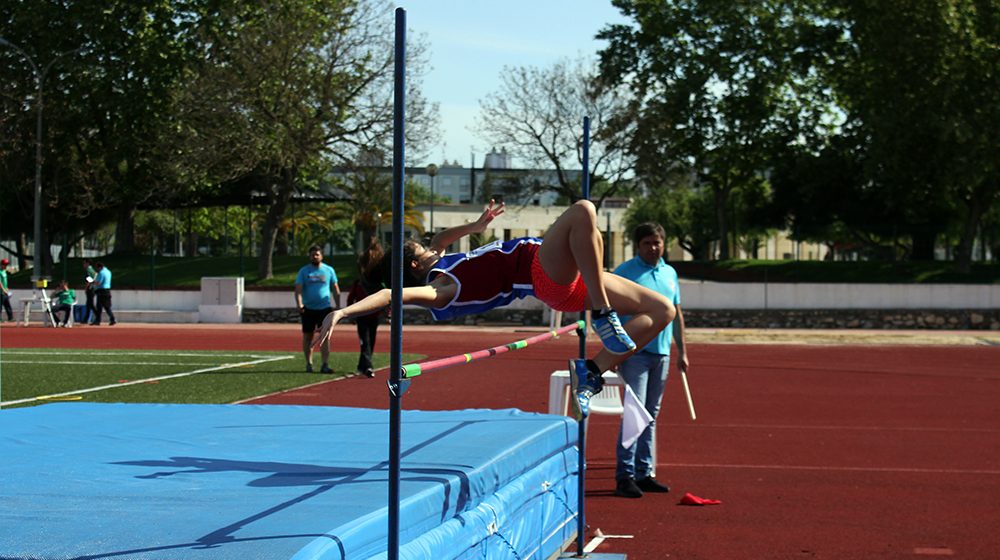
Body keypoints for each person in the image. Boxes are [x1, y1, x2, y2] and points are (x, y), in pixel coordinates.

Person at [313, 200, 677, 419]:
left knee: (662, 311)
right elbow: (393, 294)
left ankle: (593, 371)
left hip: (573, 274)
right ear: (414, 265)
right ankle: (602, 312)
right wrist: (342, 313)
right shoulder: (441, 287)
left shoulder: (441, 257)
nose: (432, 246)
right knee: (584, 211)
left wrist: (477, 225)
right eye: (422, 248)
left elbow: (440, 240)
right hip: (543, 273)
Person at [611, 222, 688, 499]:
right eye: (647, 243)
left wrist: (682, 351)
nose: (653, 248)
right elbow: (610, 313)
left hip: (662, 353)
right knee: (635, 413)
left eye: (657, 242)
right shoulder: (625, 273)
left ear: (663, 243)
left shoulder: (670, 273)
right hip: (636, 354)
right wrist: (617, 350)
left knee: (650, 416)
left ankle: (645, 472)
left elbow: (676, 313)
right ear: (638, 245)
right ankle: (625, 475)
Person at [295, 244, 341, 373]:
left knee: (325, 336)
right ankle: (309, 363)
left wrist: (337, 306)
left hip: (324, 309)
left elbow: (335, 288)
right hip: (308, 309)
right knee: (308, 337)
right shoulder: (304, 271)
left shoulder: (329, 270)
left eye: (317, 254)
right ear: (309, 256)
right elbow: (298, 290)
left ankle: (325, 364)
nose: (315, 256)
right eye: (312, 255)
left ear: (321, 255)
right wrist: (299, 304)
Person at [346, 237, 385, 378]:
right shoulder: (358, 284)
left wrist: (386, 312)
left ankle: (361, 366)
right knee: (365, 342)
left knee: (371, 342)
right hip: (361, 317)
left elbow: (384, 299)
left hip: (374, 317)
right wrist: (350, 314)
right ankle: (368, 367)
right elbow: (351, 299)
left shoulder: (378, 286)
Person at [82, 258, 97, 324]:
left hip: (90, 288)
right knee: (88, 304)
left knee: (90, 304)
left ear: (87, 263)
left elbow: (89, 280)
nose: (83, 265)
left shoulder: (88, 270)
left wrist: (86, 288)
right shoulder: (92, 270)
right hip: (92, 288)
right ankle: (85, 319)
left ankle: (97, 316)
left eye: (84, 263)